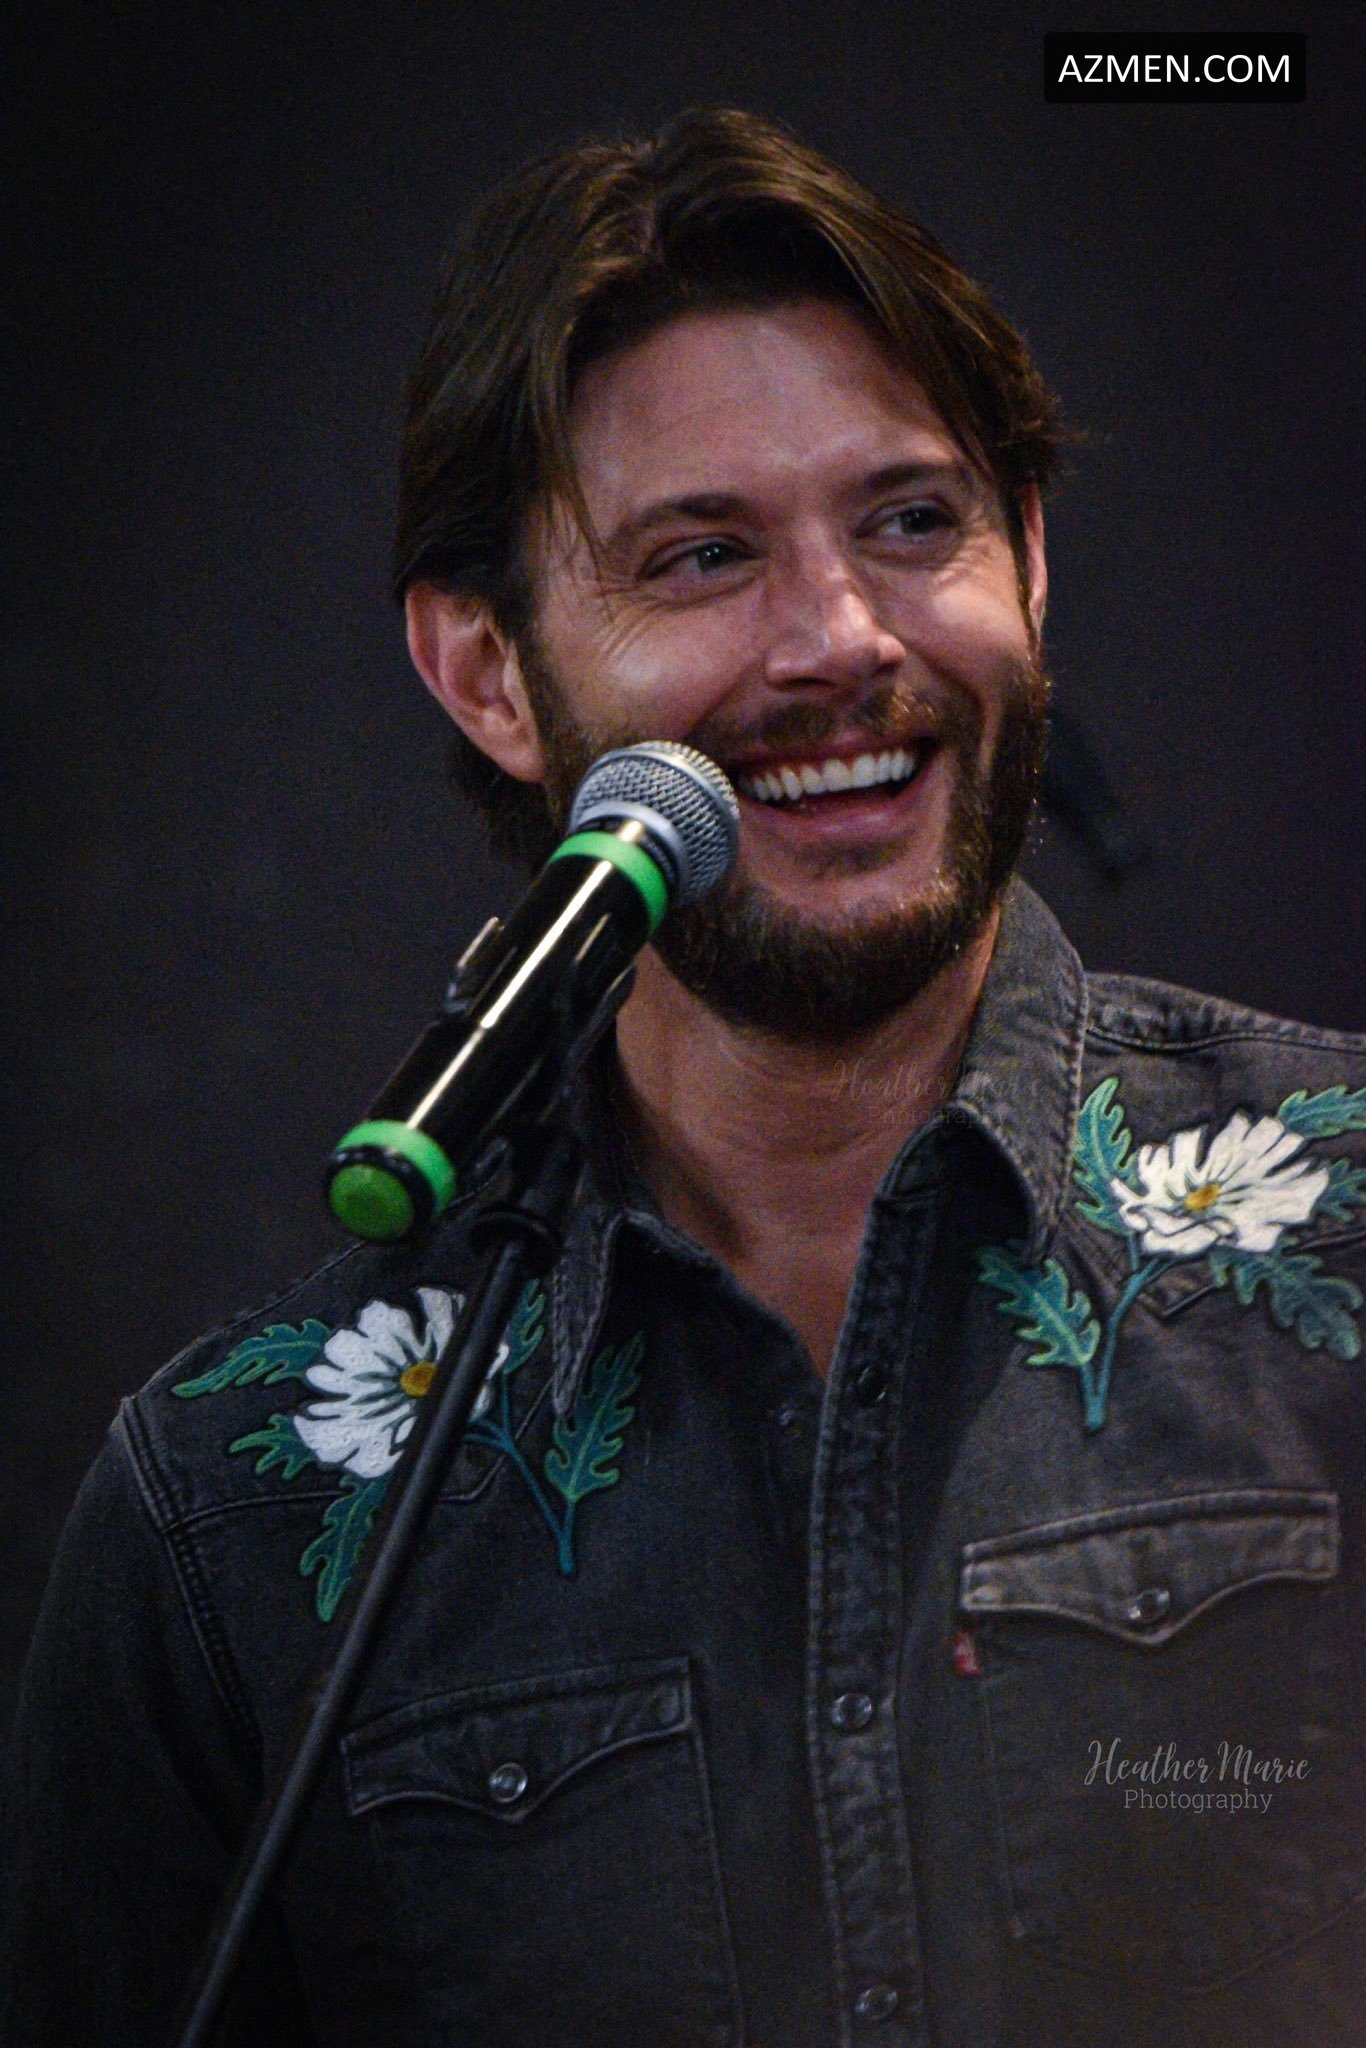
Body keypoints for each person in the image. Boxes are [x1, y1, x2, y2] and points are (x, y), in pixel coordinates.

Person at [3, 107, 1362, 2048]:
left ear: (1031, 558)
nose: (838, 639)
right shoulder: (230, 1513)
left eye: (912, 521)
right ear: (486, 674)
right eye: (702, 554)